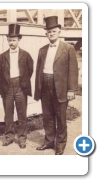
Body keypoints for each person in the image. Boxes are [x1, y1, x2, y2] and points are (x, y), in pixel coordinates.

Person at [34, 16, 78, 155]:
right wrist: (38, 89)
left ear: (59, 31)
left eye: (53, 31)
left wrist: (71, 89)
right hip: (45, 85)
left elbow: (73, 70)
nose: (51, 34)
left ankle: (60, 145)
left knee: (60, 117)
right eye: (49, 32)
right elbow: (38, 71)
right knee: (47, 116)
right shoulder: (42, 50)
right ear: (46, 33)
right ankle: (48, 141)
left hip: (60, 87)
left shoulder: (68, 48)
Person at [0, 24, 33, 149]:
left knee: (22, 114)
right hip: (7, 87)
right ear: (7, 40)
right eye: (10, 40)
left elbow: (30, 70)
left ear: (19, 40)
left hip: (21, 86)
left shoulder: (26, 55)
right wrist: (7, 81)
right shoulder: (2, 56)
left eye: (14, 40)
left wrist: (22, 82)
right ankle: (9, 137)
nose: (11, 42)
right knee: (8, 114)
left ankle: (22, 139)